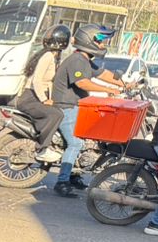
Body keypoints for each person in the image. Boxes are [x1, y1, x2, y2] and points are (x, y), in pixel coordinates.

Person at [52, 24, 125, 197]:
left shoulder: (85, 60)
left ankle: (73, 174)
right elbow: (82, 83)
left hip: (76, 106)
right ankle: (62, 181)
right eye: (99, 41)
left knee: (85, 139)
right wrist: (110, 90)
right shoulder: (77, 60)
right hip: (66, 106)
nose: (102, 45)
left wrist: (126, 84)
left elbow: (103, 74)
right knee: (76, 143)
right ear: (88, 40)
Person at [16, 25, 69, 155]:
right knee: (56, 115)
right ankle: (41, 148)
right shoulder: (48, 56)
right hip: (31, 98)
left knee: (60, 112)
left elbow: (50, 82)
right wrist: (44, 99)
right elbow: (37, 80)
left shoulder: (54, 57)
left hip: (36, 97)